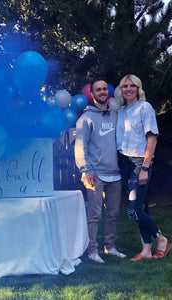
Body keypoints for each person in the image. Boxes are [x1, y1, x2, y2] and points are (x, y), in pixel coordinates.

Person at [116, 74, 172, 261]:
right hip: (124, 161)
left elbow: (152, 139)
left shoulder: (144, 107)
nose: (129, 89)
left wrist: (145, 168)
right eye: (125, 86)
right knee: (142, 208)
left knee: (133, 210)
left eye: (133, 86)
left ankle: (161, 239)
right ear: (121, 89)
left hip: (139, 162)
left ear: (138, 89)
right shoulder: (122, 110)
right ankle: (146, 250)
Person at [74, 78, 126, 263]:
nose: (102, 92)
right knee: (94, 214)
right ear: (92, 94)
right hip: (94, 174)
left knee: (113, 213)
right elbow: (80, 147)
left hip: (115, 174)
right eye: (99, 89)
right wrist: (86, 170)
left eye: (105, 89)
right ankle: (92, 250)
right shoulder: (86, 118)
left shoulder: (116, 115)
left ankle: (110, 247)